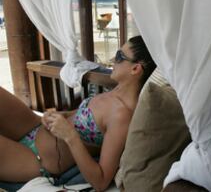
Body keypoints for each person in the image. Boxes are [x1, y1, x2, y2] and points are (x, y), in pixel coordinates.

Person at [0, 35, 156, 191]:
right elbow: (76, 114)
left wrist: (70, 136)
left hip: (37, 159)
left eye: (119, 57)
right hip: (34, 128)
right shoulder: (115, 91)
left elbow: (101, 182)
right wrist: (60, 115)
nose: (113, 60)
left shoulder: (122, 116)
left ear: (135, 69)